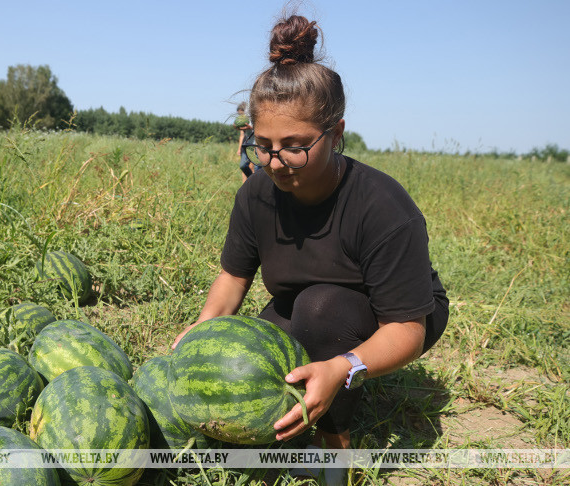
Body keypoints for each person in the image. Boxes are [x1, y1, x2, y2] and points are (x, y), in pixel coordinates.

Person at [173, 12, 448, 480]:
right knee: (271, 346)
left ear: (336, 133)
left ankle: (333, 448)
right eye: (264, 145)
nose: (277, 163)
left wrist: (343, 369)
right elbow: (233, 277)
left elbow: (408, 329)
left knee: (322, 312)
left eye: (294, 145)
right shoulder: (257, 194)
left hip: (394, 316)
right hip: (301, 304)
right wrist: (200, 334)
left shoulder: (381, 206)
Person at [234, 102, 255, 182]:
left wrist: (251, 128)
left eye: (241, 113)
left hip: (255, 144)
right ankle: (248, 183)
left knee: (254, 167)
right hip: (246, 144)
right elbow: (242, 135)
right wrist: (239, 148)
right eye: (239, 114)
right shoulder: (242, 121)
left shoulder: (252, 117)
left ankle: (254, 183)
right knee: (243, 166)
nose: (240, 116)